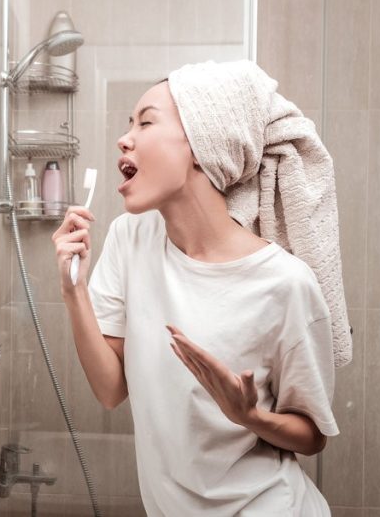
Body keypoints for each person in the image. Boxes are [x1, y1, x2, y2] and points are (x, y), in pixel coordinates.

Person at [51, 61, 343, 516]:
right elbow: (110, 390)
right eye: (129, 123)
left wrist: (250, 417)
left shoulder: (284, 283)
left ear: (202, 145)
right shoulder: (131, 239)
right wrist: (75, 291)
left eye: (146, 122)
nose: (124, 137)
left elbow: (313, 436)